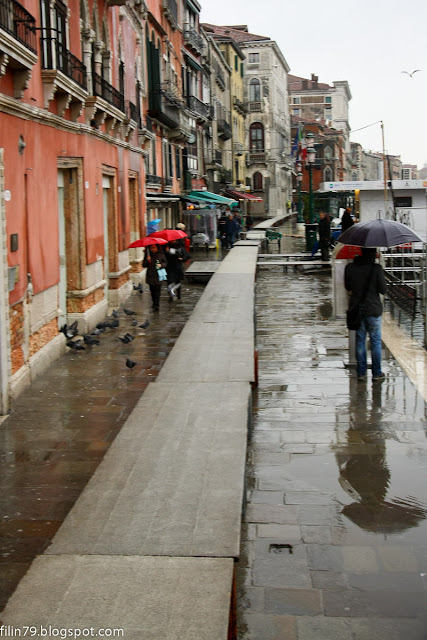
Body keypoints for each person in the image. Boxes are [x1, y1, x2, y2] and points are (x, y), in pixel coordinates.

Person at [344, 247, 387, 381]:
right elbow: (383, 289)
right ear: (373, 253)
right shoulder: (376, 269)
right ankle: (377, 373)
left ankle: (361, 373)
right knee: (375, 341)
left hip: (357, 309)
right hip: (373, 309)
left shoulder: (350, 267)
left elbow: (348, 287)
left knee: (360, 341)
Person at [142, 243, 167, 312]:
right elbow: (144, 265)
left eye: (154, 247)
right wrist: (148, 260)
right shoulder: (148, 255)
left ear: (157, 247)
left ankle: (157, 304)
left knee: (157, 290)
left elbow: (165, 263)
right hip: (151, 275)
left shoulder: (161, 254)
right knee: (152, 290)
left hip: (158, 274)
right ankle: (154, 302)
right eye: (151, 248)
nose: (153, 249)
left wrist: (161, 265)